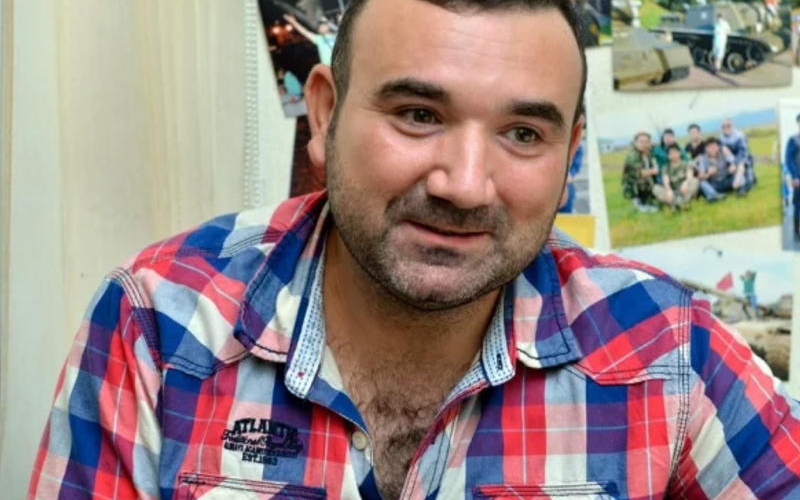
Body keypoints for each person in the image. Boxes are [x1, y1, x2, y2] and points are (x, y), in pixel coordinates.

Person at [28, 1, 800, 499]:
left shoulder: (665, 349)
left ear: (570, 155)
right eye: (418, 114)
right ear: (323, 116)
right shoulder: (159, 323)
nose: (464, 185)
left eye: (522, 133)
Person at [622, 131, 659, 212]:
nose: (644, 144)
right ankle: (639, 202)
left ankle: (649, 199)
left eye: (646, 142)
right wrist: (653, 171)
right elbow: (639, 173)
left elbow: (655, 146)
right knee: (644, 179)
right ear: (635, 143)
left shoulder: (647, 153)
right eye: (641, 142)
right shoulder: (633, 155)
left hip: (644, 182)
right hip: (632, 185)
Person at [653, 143, 699, 209]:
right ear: (668, 156)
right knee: (655, 188)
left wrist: (686, 183)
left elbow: (689, 175)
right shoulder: (666, 167)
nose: (673, 155)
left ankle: (680, 203)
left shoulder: (685, 164)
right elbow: (666, 181)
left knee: (695, 180)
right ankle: (678, 203)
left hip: (684, 190)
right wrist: (669, 190)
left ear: (679, 153)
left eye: (675, 152)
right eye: (670, 153)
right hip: (673, 192)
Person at [720, 118, 754, 194]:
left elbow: (743, 153)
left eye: (728, 125)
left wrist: (735, 163)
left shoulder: (739, 136)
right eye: (723, 126)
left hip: (742, 161)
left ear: (732, 126)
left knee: (741, 168)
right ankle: (736, 184)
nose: (726, 128)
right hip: (729, 161)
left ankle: (740, 185)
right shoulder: (722, 138)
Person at [695, 136, 730, 201]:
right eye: (709, 147)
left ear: (718, 147)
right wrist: (708, 174)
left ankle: (742, 188)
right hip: (714, 184)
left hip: (726, 180)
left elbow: (734, 162)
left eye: (714, 146)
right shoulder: (703, 158)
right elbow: (701, 176)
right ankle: (714, 195)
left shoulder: (723, 153)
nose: (712, 149)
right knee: (701, 182)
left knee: (739, 171)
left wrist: (732, 166)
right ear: (706, 149)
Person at [785, 112, 800, 241]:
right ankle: (796, 231)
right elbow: (789, 160)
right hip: (798, 178)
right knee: (798, 204)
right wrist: (795, 176)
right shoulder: (793, 140)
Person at [558, 141, 584, 213]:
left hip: (566, 184)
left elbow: (576, 165)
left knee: (566, 213)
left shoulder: (577, 147)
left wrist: (570, 174)